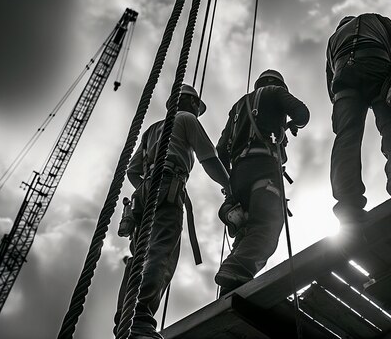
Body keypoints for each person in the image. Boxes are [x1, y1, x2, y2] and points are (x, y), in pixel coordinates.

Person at [114, 84, 231, 339]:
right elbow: (209, 159)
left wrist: (149, 185)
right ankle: (141, 318)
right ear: (189, 103)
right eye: (196, 106)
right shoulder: (186, 119)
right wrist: (229, 186)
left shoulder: (152, 130)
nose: (197, 112)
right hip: (168, 187)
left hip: (143, 193)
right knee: (160, 252)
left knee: (139, 256)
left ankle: (125, 320)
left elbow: (133, 171)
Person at [214, 69, 309, 296]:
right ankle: (234, 269)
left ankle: (230, 288)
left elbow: (220, 150)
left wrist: (232, 182)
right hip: (264, 169)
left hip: (238, 177)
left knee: (247, 233)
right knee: (268, 225)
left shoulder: (238, 106)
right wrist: (291, 124)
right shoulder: (276, 93)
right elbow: (302, 113)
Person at [326, 13, 391, 222]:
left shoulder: (333, 40)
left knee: (346, 136)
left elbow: (329, 79)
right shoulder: (372, 18)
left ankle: (347, 202)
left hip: (343, 78)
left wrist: (339, 106)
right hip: (376, 65)